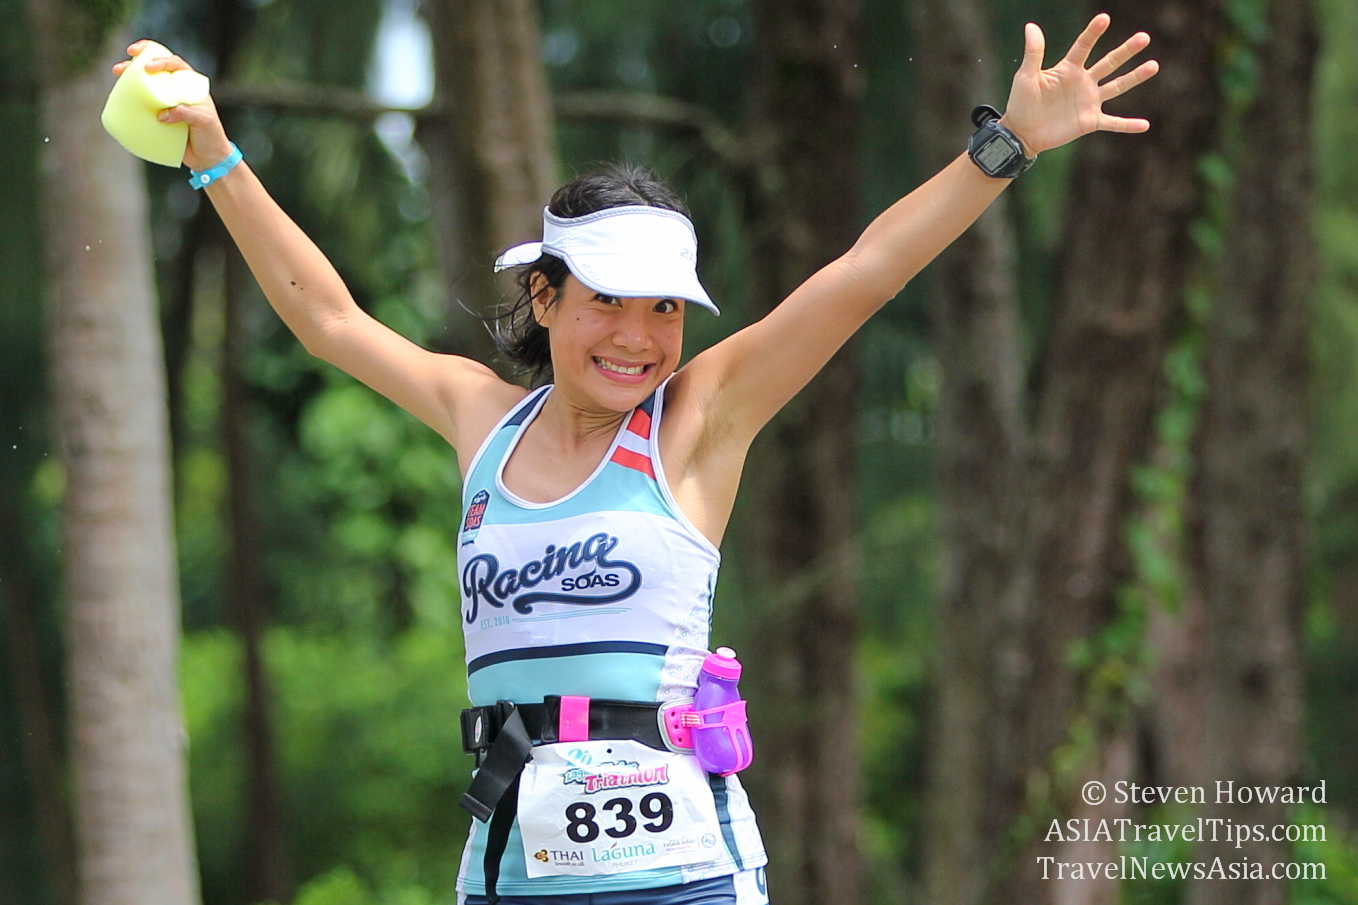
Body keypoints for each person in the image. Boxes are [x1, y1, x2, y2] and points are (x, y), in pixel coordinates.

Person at [116, 13, 1157, 905]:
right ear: (545, 296)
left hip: (684, 871)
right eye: (607, 298)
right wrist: (211, 150)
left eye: (663, 305)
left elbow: (863, 273)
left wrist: (1005, 145)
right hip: (510, 864)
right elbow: (330, 320)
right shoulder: (482, 421)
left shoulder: (698, 419)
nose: (637, 335)